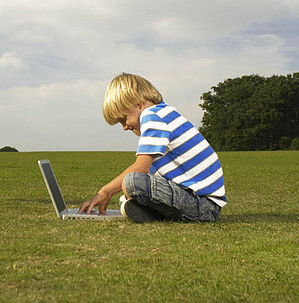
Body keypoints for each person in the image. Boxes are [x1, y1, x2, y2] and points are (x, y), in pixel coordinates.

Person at [79, 73, 226, 223]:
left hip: (203, 205)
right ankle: (155, 213)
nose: (124, 127)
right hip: (201, 203)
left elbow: (140, 168)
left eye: (124, 119)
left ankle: (155, 213)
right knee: (128, 195)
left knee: (132, 182)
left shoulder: (152, 116)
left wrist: (105, 192)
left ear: (139, 104)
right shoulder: (164, 113)